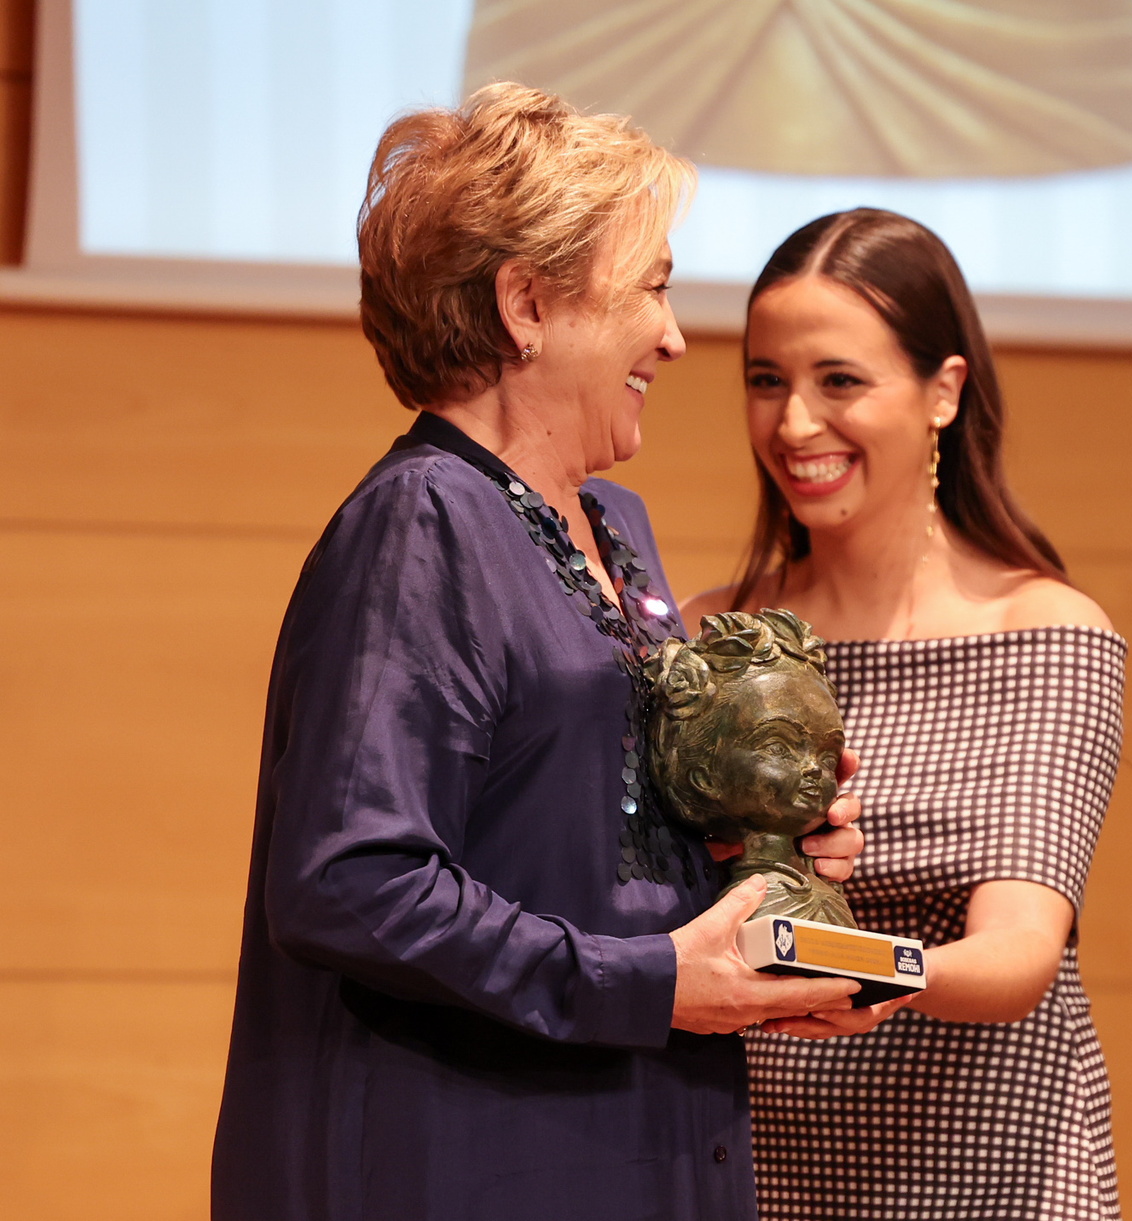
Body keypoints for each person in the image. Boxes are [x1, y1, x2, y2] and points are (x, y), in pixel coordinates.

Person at [211, 85, 874, 1221]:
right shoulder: (422, 522)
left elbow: (570, 844)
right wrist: (652, 979)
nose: (675, 336)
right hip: (467, 1167)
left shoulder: (616, 525)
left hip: (639, 1141)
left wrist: (756, 850)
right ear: (526, 304)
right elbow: (349, 883)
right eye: (652, 286)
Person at [683, 208, 1129, 1220]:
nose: (796, 424)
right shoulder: (713, 637)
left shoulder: (1044, 631)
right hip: (751, 1169)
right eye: (767, 380)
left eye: (840, 380)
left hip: (993, 1176)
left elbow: (1019, 955)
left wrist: (853, 968)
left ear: (943, 391)